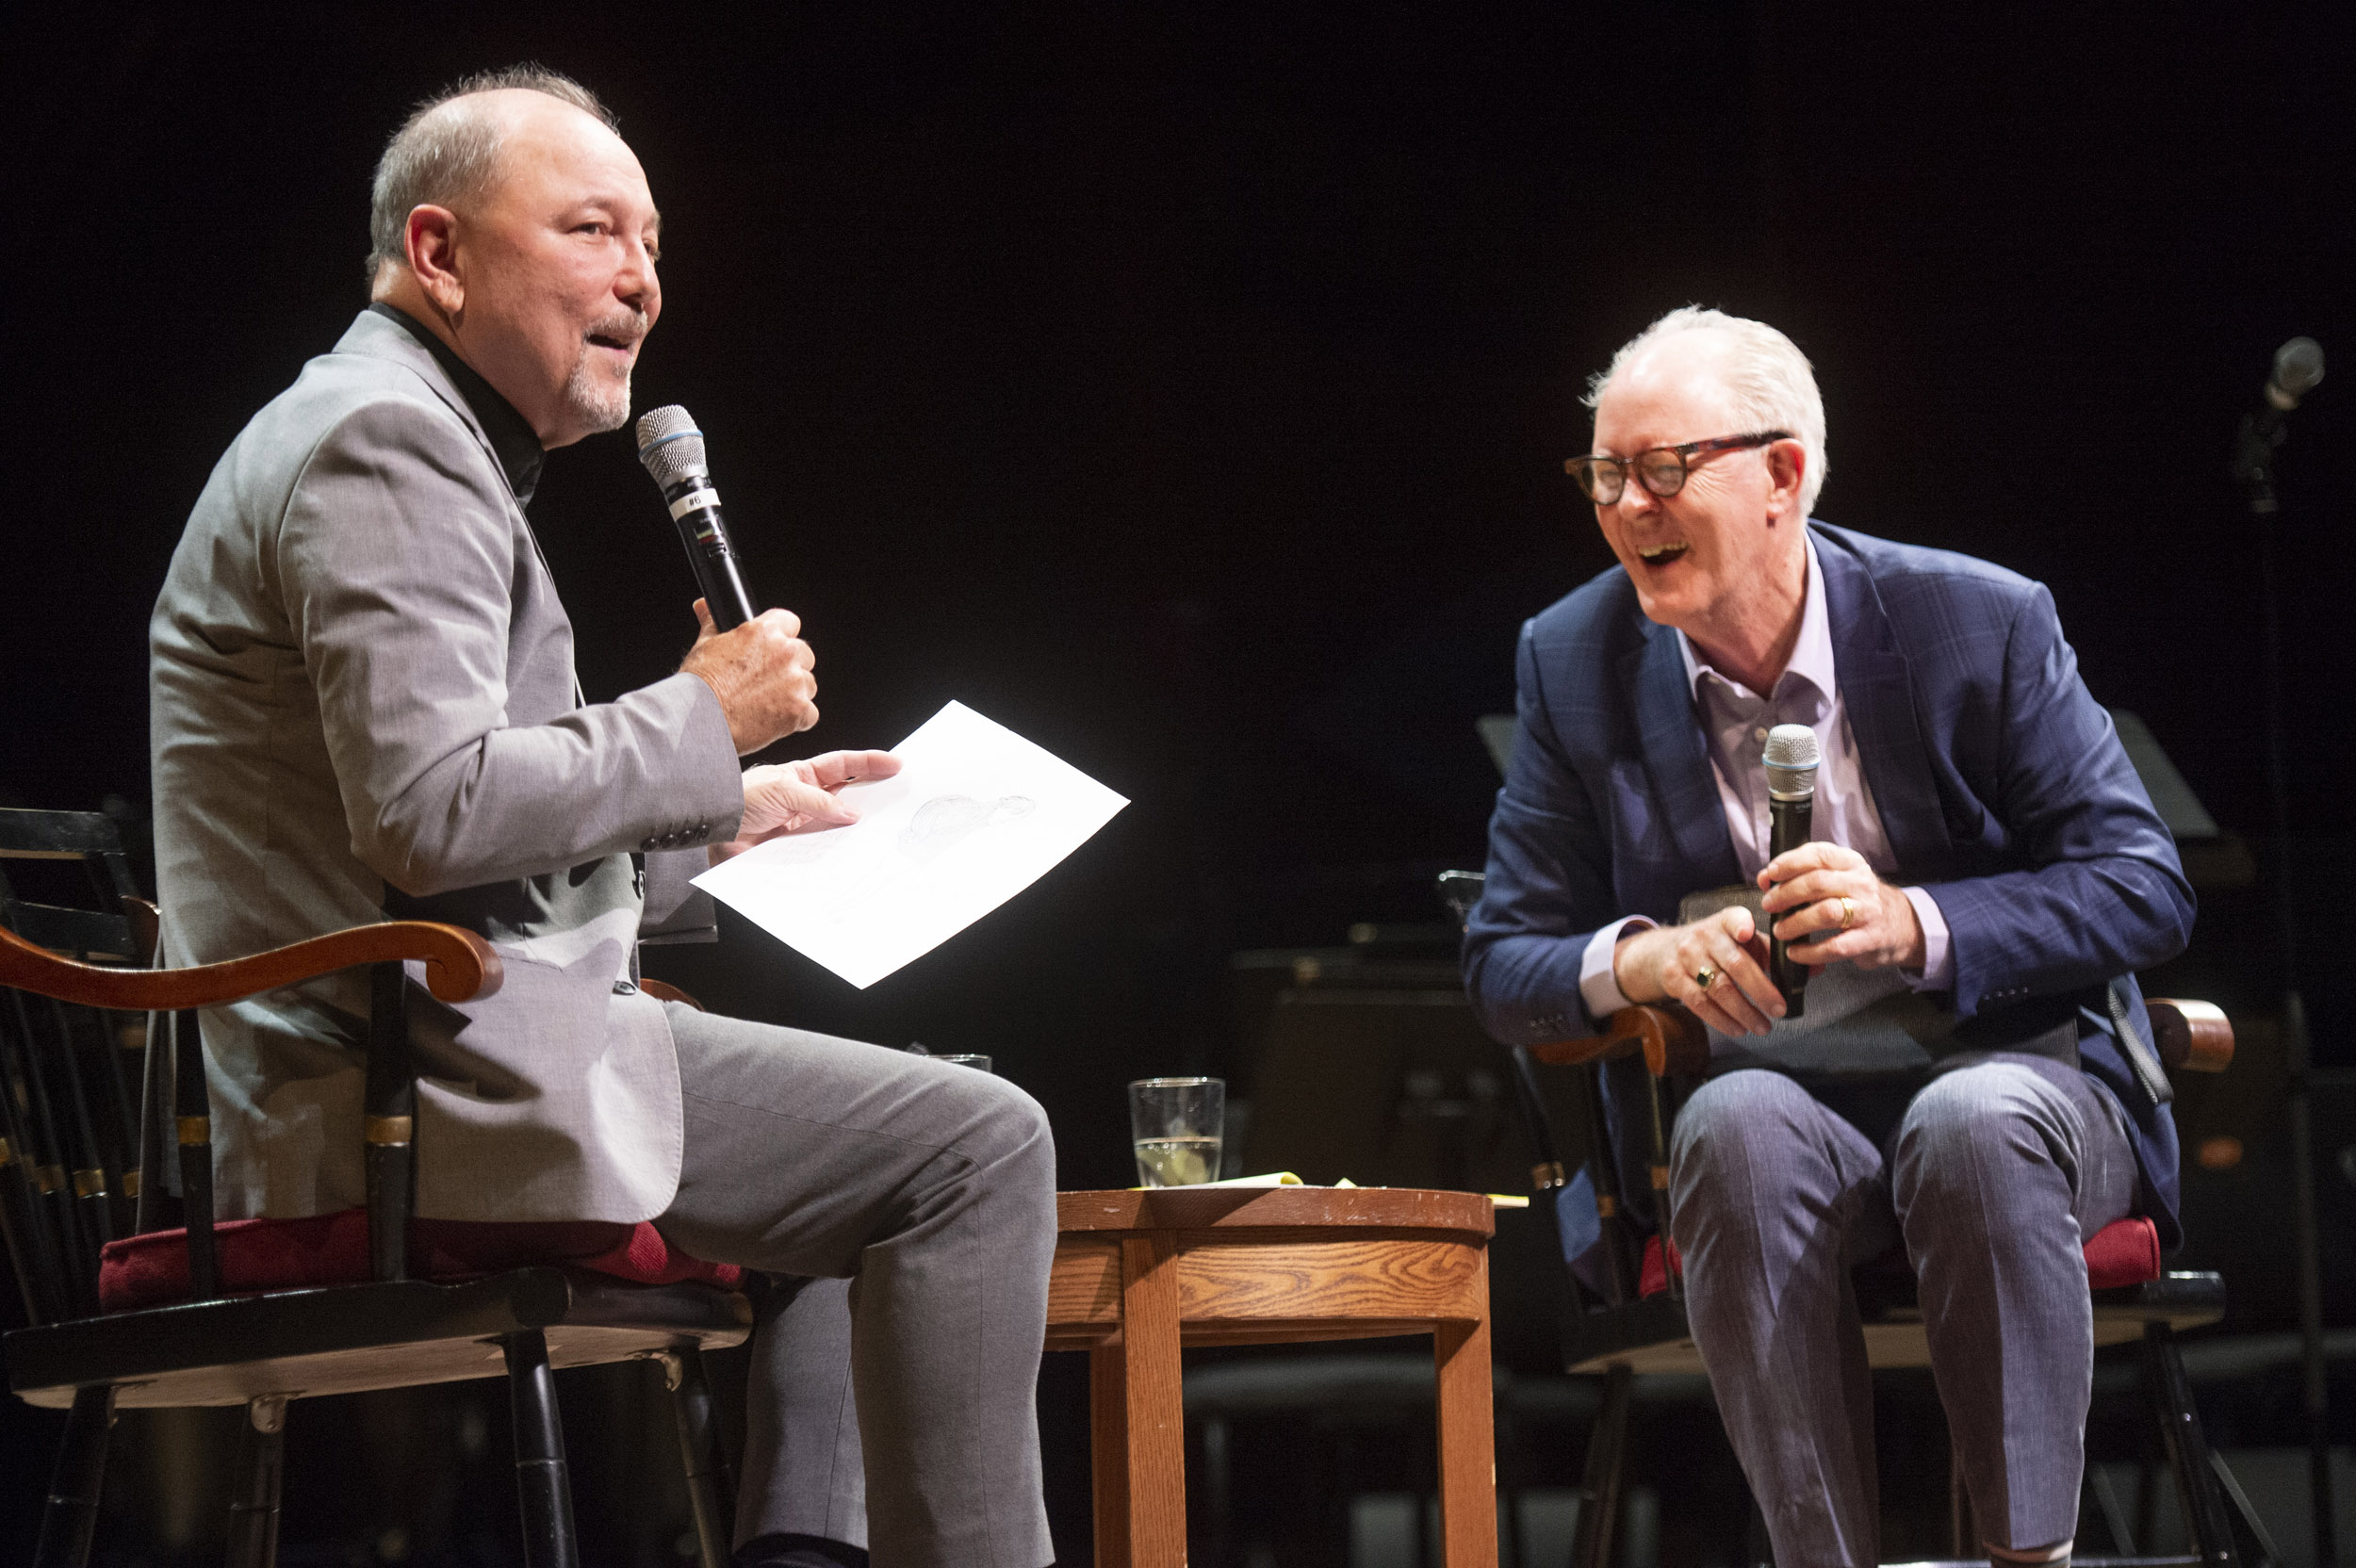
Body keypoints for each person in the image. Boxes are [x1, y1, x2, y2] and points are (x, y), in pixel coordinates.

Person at [149, 66, 1056, 1568]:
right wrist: (706, 716)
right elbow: (433, 812)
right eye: (590, 231)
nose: (640, 278)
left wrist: (724, 814)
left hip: (404, 1061)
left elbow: (423, 812)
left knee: (892, 1149)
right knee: (978, 1147)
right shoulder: (391, 440)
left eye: (651, 243)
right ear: (438, 254)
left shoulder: (389, 423)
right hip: (395, 1097)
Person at [1464, 306, 2193, 1567]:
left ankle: (2033, 1559)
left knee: (1970, 1127)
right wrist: (1638, 962)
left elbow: (2142, 883)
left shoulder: (1975, 619)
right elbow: (1502, 960)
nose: (1626, 507)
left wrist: (1918, 922)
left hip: (2023, 1089)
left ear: (1784, 474)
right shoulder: (1571, 655)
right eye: (1604, 474)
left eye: (1663, 470)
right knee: (1730, 1129)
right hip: (1782, 1107)